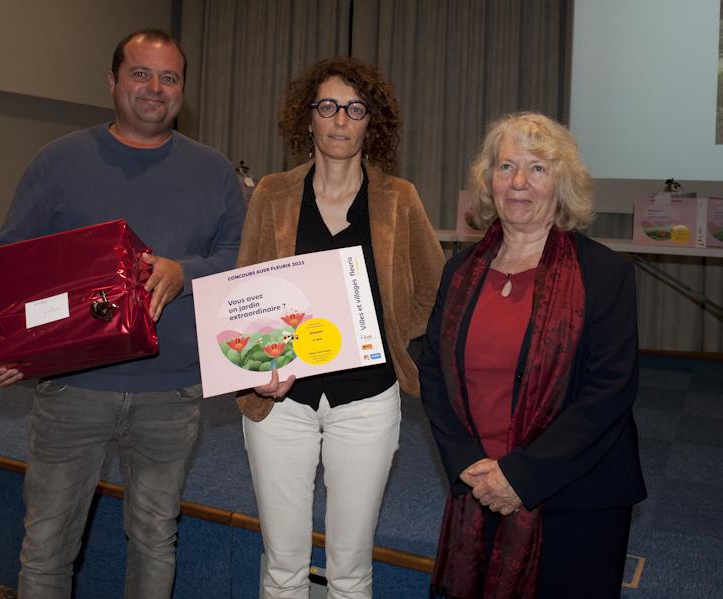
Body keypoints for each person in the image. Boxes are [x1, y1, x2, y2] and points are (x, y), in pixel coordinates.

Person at [0, 28, 244, 598]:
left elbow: (239, 259)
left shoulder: (214, 170)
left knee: (154, 538)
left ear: (182, 90)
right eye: (140, 73)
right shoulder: (59, 160)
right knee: (47, 546)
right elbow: (7, 262)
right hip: (74, 388)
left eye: (169, 77)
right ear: (112, 81)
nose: (155, 88)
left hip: (171, 391)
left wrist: (184, 272)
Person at [235, 58, 444, 598]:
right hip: (282, 401)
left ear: (372, 123)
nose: (340, 119)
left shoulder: (400, 198)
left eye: (355, 109)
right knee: (283, 566)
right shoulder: (272, 193)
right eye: (328, 106)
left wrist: (386, 333)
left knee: (350, 570)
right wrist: (259, 363)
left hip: (367, 401)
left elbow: (434, 288)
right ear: (308, 117)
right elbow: (246, 289)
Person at [419, 112, 646, 598]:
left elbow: (609, 392)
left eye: (537, 168)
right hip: (478, 483)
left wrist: (520, 477)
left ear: (562, 183)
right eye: (506, 167)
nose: (519, 182)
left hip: (574, 496)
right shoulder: (460, 272)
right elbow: (434, 369)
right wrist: (466, 461)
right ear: (489, 181)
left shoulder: (604, 274)